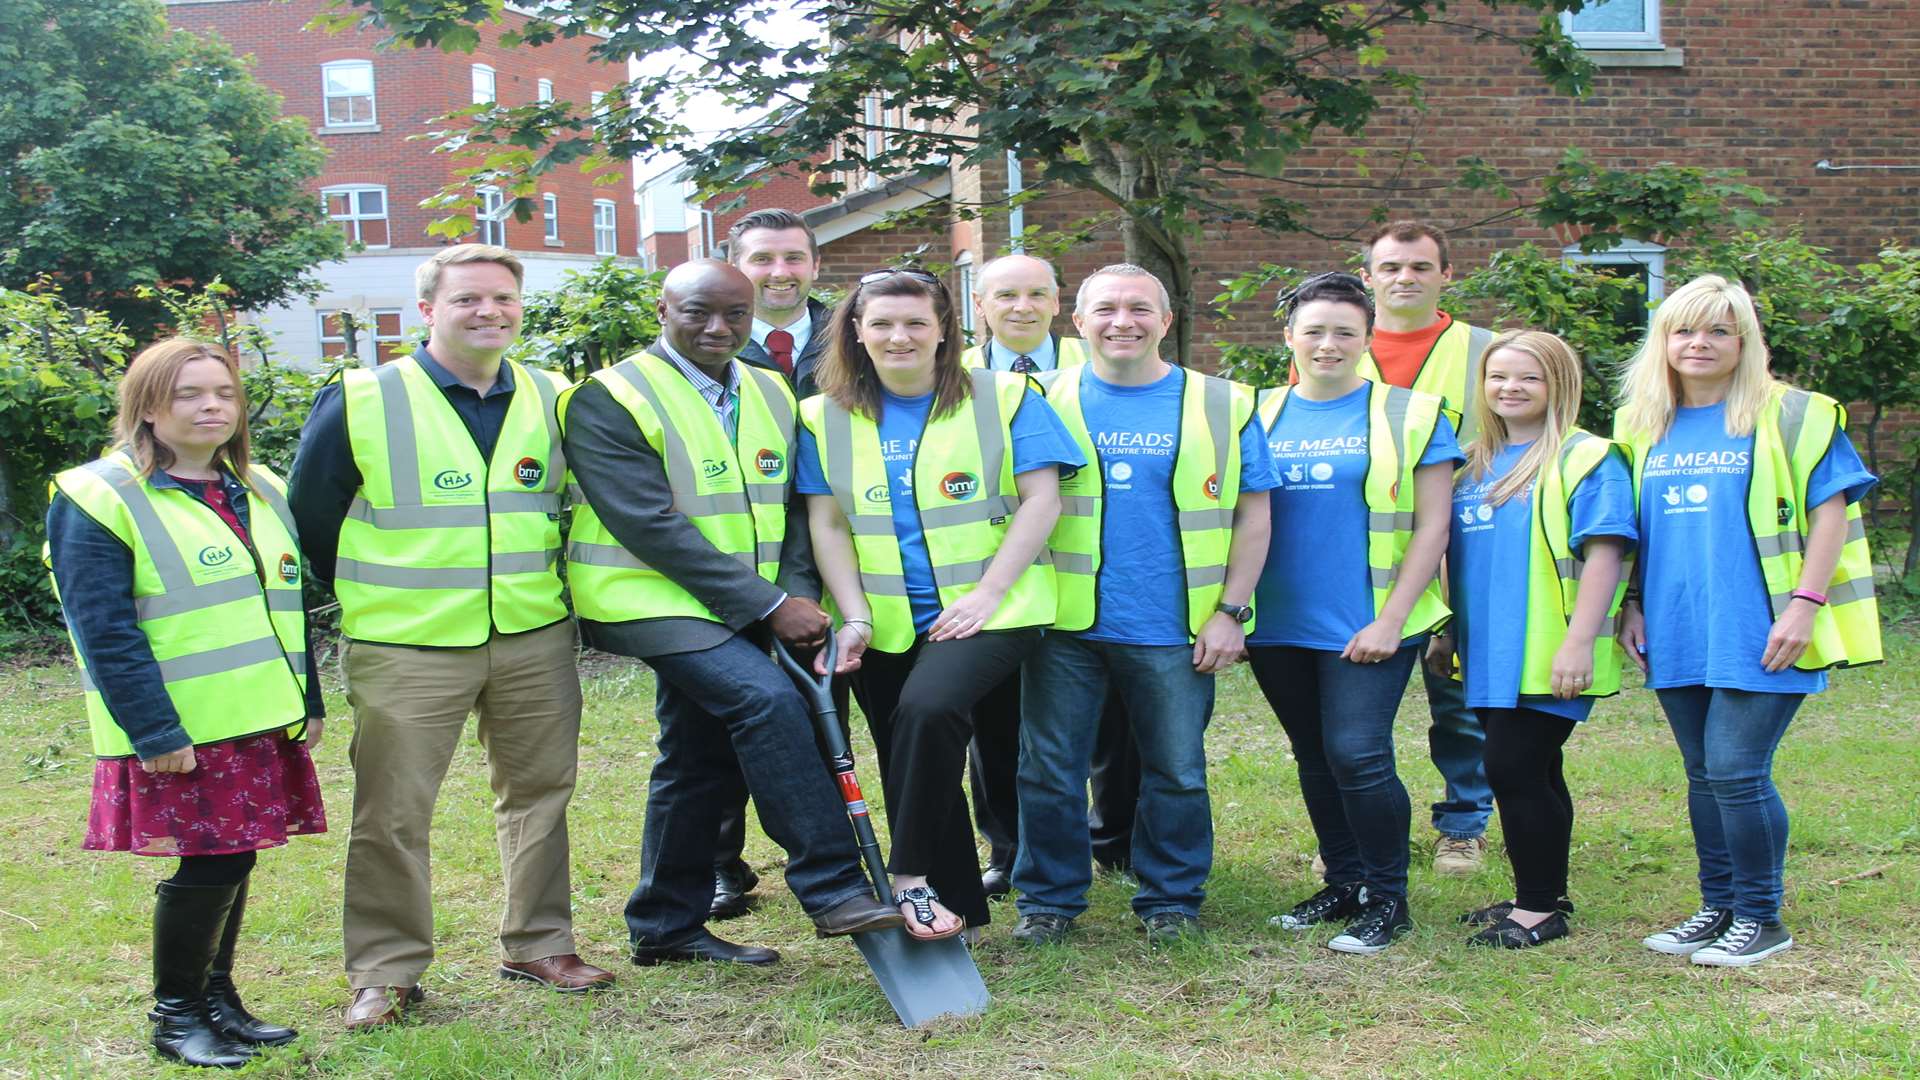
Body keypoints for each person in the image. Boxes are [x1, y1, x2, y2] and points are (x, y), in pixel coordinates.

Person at [289, 244, 612, 1028]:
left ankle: (538, 942)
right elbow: (309, 516)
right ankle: (386, 970)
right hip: (406, 642)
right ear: (428, 309)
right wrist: (381, 592)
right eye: (468, 299)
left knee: (540, 795)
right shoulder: (363, 397)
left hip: (530, 632)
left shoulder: (555, 396)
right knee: (392, 811)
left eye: (503, 299)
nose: (489, 312)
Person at [562, 259, 907, 966]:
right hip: (647, 597)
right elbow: (648, 523)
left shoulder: (771, 390)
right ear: (663, 309)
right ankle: (834, 885)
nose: (718, 328)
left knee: (697, 756)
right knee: (765, 702)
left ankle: (664, 924)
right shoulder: (609, 397)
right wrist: (772, 604)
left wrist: (797, 590)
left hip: (750, 600)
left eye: (735, 315)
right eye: (698, 312)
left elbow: (793, 509)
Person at [47, 338, 325, 1067]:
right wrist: (153, 729)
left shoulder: (258, 486)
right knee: (210, 863)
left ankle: (217, 998)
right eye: (188, 395)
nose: (212, 407)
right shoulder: (99, 496)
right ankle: (176, 1015)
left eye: (224, 394)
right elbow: (102, 629)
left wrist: (308, 700)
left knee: (235, 859)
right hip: (181, 728)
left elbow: (286, 604)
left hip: (257, 716)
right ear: (146, 406)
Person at [797, 267, 1082, 939]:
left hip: (997, 608)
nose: (900, 337)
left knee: (929, 710)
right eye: (884, 324)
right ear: (857, 333)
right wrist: (856, 616)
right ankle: (958, 904)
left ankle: (908, 880)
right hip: (888, 620)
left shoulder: (1006, 396)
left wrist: (988, 592)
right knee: (906, 749)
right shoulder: (820, 416)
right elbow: (828, 524)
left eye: (916, 323)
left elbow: (1042, 499)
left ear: (946, 331)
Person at [1615, 274, 1879, 967]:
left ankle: (1761, 918)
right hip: (1674, 621)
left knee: (1737, 769)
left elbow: (1832, 512)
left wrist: (1805, 605)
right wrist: (1632, 604)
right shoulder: (1641, 424)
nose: (1699, 343)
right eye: (1684, 330)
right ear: (1662, 341)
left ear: (1745, 341)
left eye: (1719, 330)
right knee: (1703, 772)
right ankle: (1718, 907)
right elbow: (1632, 530)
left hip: (1762, 622)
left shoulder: (1795, 414)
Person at [1012, 263, 1277, 945]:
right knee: (1048, 770)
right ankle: (1048, 901)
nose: (1121, 322)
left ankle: (1171, 899)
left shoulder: (1225, 403)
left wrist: (1232, 611)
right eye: (1104, 309)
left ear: (1167, 320)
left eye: (1139, 309)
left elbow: (1255, 517)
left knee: (1178, 771)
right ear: (1078, 322)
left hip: (1174, 625)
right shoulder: (1036, 397)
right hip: (1063, 624)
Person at [1251, 272, 1462, 955]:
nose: (1328, 344)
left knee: (1358, 753)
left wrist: (1394, 620)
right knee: (1314, 755)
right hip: (1277, 621)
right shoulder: (1255, 413)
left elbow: (1434, 528)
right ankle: (1343, 881)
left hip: (1368, 622)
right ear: (1289, 338)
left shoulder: (1413, 414)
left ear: (1368, 340)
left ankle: (1386, 896)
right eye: (1313, 331)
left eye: (1345, 331)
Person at [1423, 331, 1636, 949]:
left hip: (1551, 649)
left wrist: (1579, 641)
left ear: (1558, 385)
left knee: (1510, 767)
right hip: (1488, 650)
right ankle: (1541, 892)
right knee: (1538, 769)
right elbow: (1459, 559)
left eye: (1529, 378)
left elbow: (1605, 554)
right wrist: (1448, 632)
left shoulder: (1587, 457)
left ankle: (1539, 911)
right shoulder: (1473, 461)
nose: (1510, 388)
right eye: (1498, 377)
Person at [955, 253, 1140, 899]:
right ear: (979, 305)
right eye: (1005, 295)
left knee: (1111, 718)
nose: (1022, 307)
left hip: (1088, 567)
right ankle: (1008, 847)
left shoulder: (1095, 364)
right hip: (993, 571)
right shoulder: (952, 380)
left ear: (1059, 302)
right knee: (998, 719)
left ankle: (1114, 838)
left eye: (1037, 293)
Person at [1358, 221, 1500, 875]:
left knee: (1457, 687)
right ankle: (1358, 824)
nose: (1404, 279)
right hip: (1361, 549)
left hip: (1471, 537)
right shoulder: (1333, 344)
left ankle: (1464, 824)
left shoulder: (1485, 349)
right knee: (1357, 696)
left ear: (1447, 275)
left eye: (1419, 267)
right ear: (1368, 278)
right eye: (1390, 268)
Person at [708, 208, 836, 918]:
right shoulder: (706, 339)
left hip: (840, 556)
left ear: (815, 266)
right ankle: (721, 862)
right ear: (735, 264)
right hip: (731, 568)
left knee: (826, 714)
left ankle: (833, 849)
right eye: (762, 259)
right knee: (720, 721)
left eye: (794, 258)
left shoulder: (854, 334)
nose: (779, 272)